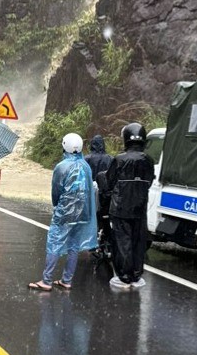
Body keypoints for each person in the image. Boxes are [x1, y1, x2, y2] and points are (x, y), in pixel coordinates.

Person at [28, 133, 98, 292]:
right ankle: (67, 280)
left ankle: (46, 281)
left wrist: (57, 206)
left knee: (54, 242)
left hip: (65, 212)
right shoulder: (86, 166)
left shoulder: (62, 166)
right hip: (83, 213)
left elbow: (56, 190)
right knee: (74, 244)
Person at [106, 122, 156, 290]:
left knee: (122, 242)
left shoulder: (119, 159)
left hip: (120, 208)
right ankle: (136, 274)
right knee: (138, 242)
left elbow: (109, 181)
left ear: (126, 138)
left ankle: (124, 276)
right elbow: (149, 182)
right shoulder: (148, 160)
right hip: (140, 208)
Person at [85, 135, 113, 257]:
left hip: (90, 191)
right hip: (105, 193)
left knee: (92, 216)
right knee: (104, 216)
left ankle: (91, 240)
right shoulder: (110, 159)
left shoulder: (87, 159)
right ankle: (106, 239)